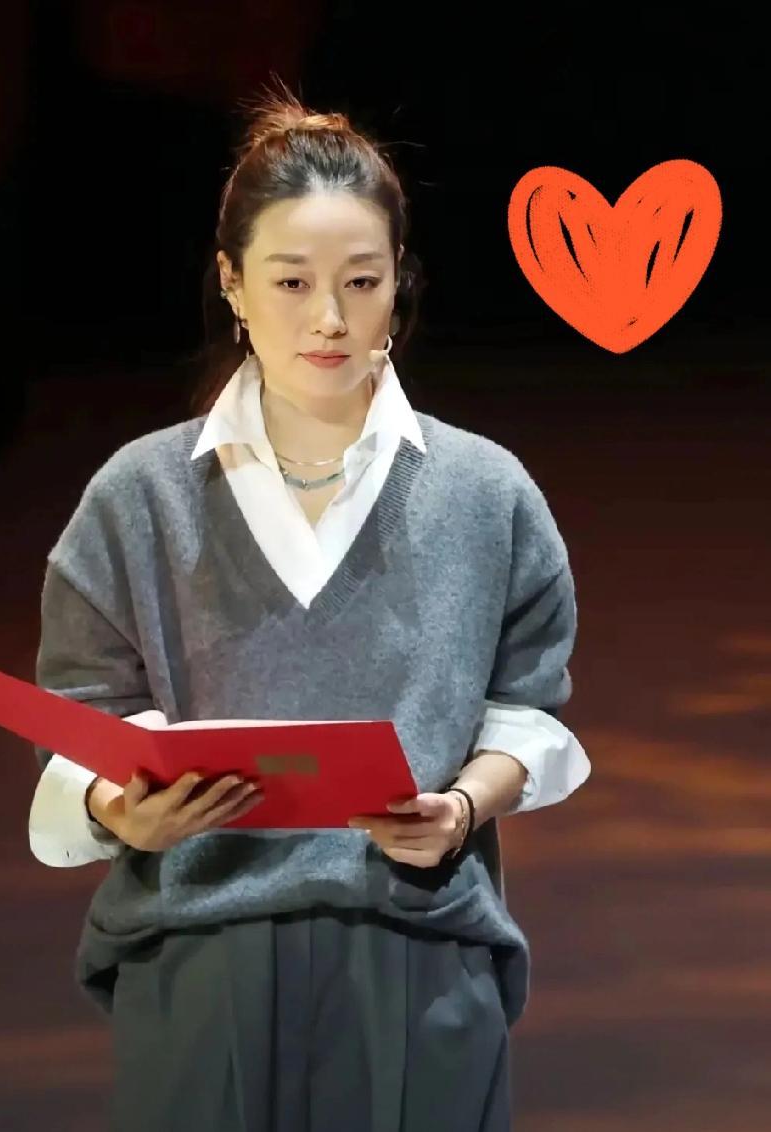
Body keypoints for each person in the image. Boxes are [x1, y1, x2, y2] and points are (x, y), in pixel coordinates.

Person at [29, 81, 590, 1132]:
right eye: (291, 281)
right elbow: (80, 714)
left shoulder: (484, 492)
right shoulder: (141, 495)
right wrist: (115, 806)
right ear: (232, 283)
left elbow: (528, 708)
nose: (329, 317)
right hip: (200, 958)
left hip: (420, 947)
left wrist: (462, 808)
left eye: (360, 281)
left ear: (398, 284)